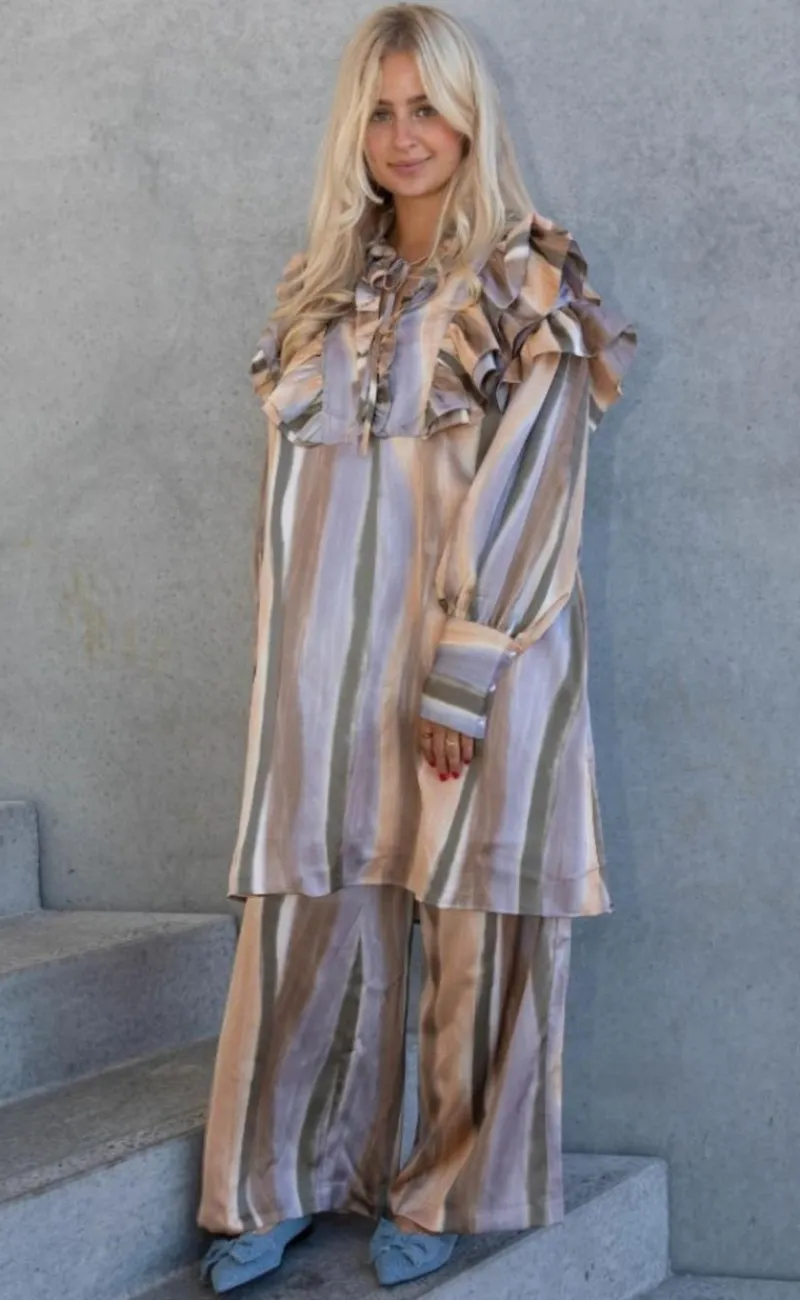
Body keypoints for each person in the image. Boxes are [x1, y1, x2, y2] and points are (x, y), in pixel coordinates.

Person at [197, 3, 637, 1293]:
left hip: (483, 654)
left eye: (427, 108)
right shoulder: (321, 294)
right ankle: (276, 1182)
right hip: (330, 664)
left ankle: (442, 1186)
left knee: (472, 925)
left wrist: (468, 669)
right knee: (311, 904)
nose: (405, 136)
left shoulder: (525, 283)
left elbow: (538, 484)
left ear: (468, 118)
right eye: (382, 111)